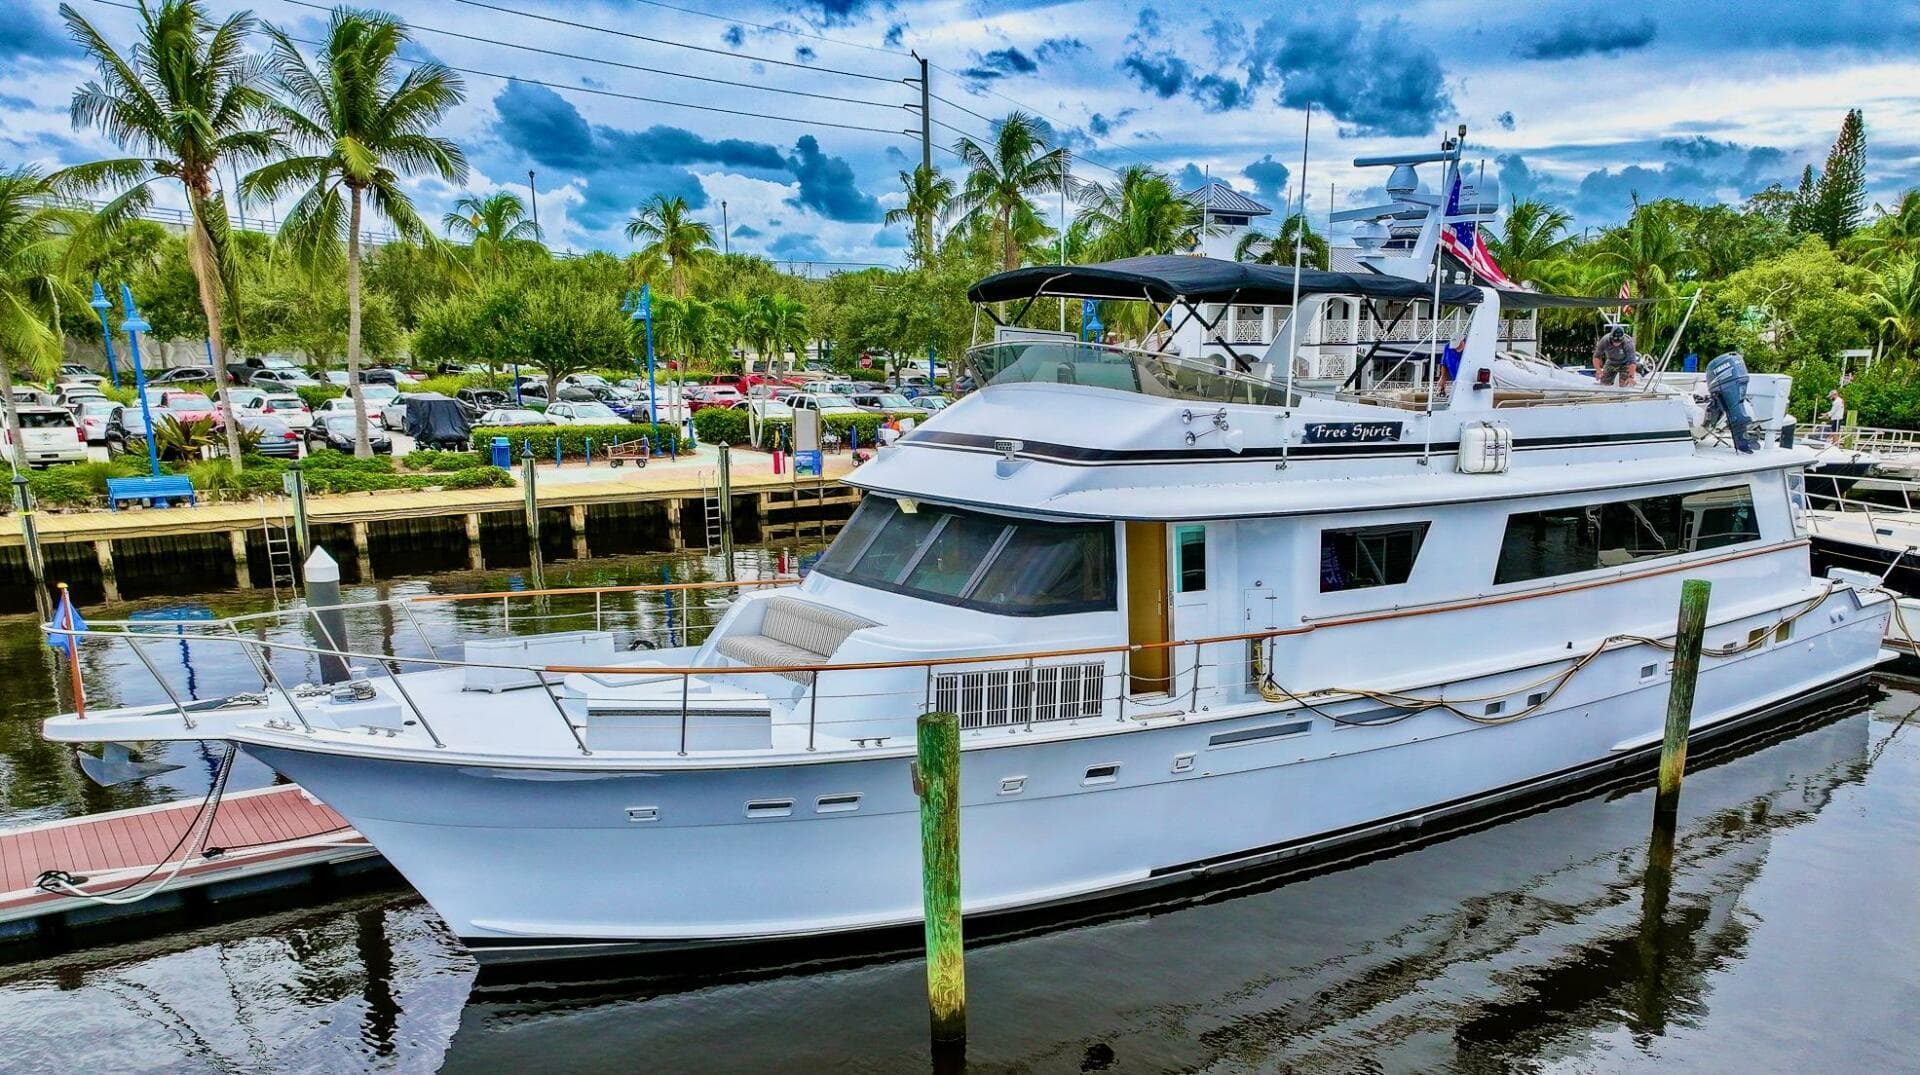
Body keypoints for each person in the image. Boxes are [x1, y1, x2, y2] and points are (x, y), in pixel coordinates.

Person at [1703, 351, 1758, 453]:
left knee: (1736, 411)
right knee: (1736, 411)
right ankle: (1742, 438)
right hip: (1733, 385)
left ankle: (1742, 438)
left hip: (1732, 385)